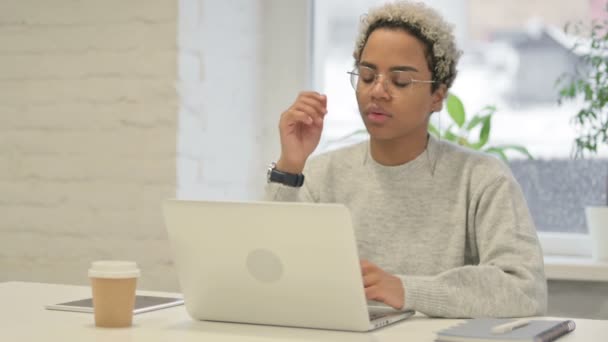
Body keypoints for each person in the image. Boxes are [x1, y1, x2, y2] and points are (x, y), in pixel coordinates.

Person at [264, 1, 547, 318]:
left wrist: (405, 290)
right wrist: (290, 166)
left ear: (437, 97)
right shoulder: (321, 174)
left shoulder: (481, 178)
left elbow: (524, 289)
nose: (378, 91)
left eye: (400, 81)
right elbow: (268, 270)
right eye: (368, 76)